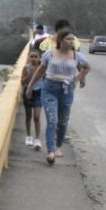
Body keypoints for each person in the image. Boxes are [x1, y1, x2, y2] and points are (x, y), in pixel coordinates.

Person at [26, 28, 90, 164]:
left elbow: (86, 67)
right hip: (49, 88)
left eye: (73, 39)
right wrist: (30, 86)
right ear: (60, 40)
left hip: (67, 91)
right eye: (68, 39)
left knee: (63, 121)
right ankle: (50, 151)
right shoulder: (49, 54)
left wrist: (77, 79)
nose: (71, 42)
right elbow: (40, 71)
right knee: (52, 120)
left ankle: (58, 146)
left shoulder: (76, 55)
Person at [39, 19, 85, 87]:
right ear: (57, 30)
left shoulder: (73, 41)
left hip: (67, 80)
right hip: (49, 78)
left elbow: (78, 61)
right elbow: (41, 63)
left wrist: (82, 77)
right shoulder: (47, 43)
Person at [21, 49, 43, 150]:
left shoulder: (42, 68)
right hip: (28, 92)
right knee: (28, 115)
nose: (33, 58)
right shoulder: (25, 68)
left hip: (38, 92)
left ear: (39, 58)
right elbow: (22, 82)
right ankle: (29, 136)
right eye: (31, 56)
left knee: (37, 117)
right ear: (28, 57)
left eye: (36, 56)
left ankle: (37, 139)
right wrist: (29, 74)